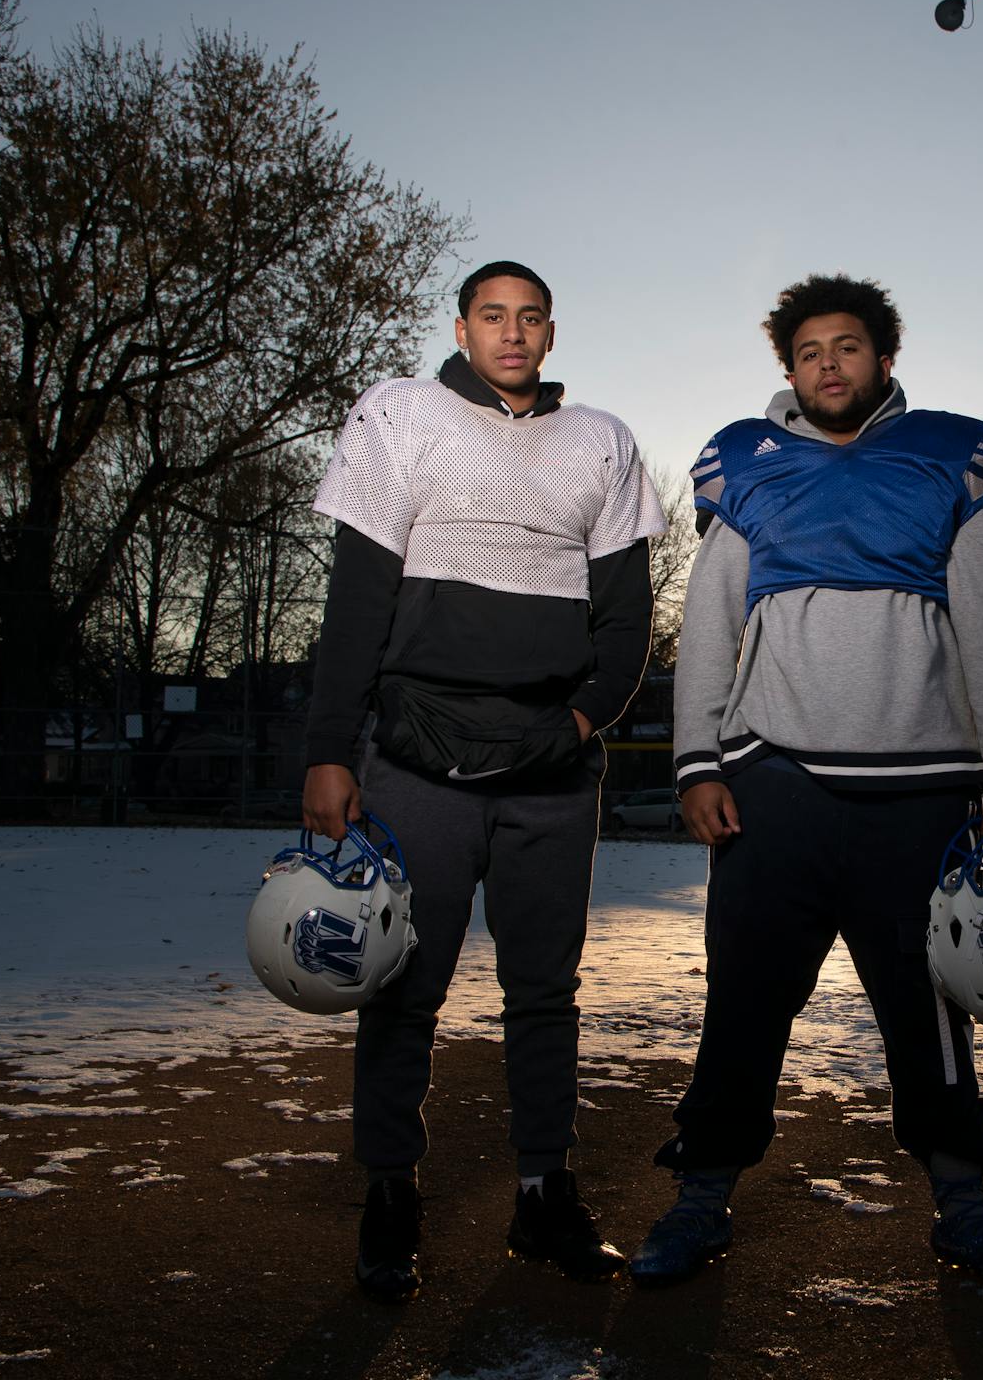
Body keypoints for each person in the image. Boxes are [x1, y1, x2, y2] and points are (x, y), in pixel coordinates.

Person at [629, 273, 983, 1288]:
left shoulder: (949, 459)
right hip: (779, 783)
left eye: (848, 347)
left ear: (884, 359)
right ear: (788, 365)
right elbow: (712, 619)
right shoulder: (749, 463)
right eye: (811, 349)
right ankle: (701, 1199)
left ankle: (963, 1202)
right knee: (745, 999)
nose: (829, 363)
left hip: (921, 790)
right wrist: (697, 764)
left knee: (930, 1006)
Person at [301, 260, 665, 1298]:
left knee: (545, 992)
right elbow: (356, 602)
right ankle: (390, 1197)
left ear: (553, 334)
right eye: (493, 316)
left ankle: (544, 1194)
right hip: (420, 756)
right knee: (402, 989)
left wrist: (583, 719)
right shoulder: (399, 415)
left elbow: (628, 618)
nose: (512, 333)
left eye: (531, 318)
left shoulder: (602, 440)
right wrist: (330, 747)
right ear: (462, 327)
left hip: (551, 766)